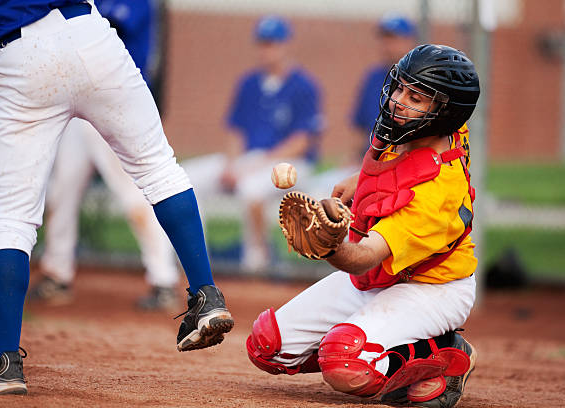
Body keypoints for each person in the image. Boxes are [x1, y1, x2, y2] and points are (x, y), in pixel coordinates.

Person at [0, 0, 233, 395]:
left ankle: (7, 362)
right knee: (159, 169)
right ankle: (206, 294)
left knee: (12, 217)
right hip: (90, 37)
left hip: (19, 57)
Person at [246, 44, 480, 408]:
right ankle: (371, 339)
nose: (399, 101)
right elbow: (403, 165)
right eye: (400, 87)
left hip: (432, 287)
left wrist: (329, 244)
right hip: (383, 277)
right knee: (267, 346)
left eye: (416, 97)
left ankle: (443, 352)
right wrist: (361, 180)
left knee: (344, 361)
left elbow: (362, 257)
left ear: (445, 114)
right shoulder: (414, 129)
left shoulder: (438, 197)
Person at [28, 0, 180, 311]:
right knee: (61, 191)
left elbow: (100, 26)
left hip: (116, 101)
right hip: (76, 104)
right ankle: (57, 274)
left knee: (135, 194)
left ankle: (163, 280)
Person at [181, 15, 323, 273]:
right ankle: (196, 258)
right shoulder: (248, 83)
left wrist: (255, 165)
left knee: (251, 188)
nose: (266, 49)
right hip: (249, 159)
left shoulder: (304, 84)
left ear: (285, 45)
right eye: (262, 43)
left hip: (291, 164)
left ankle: (257, 262)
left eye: (273, 43)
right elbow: (236, 132)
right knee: (187, 179)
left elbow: (301, 142)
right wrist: (232, 165)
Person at [351, 14, 417, 162]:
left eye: (394, 39)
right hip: (368, 158)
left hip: (402, 160)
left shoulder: (420, 81)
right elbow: (360, 128)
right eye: (385, 39)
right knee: (328, 183)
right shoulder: (373, 77)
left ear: (410, 41)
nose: (387, 45)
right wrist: (353, 161)